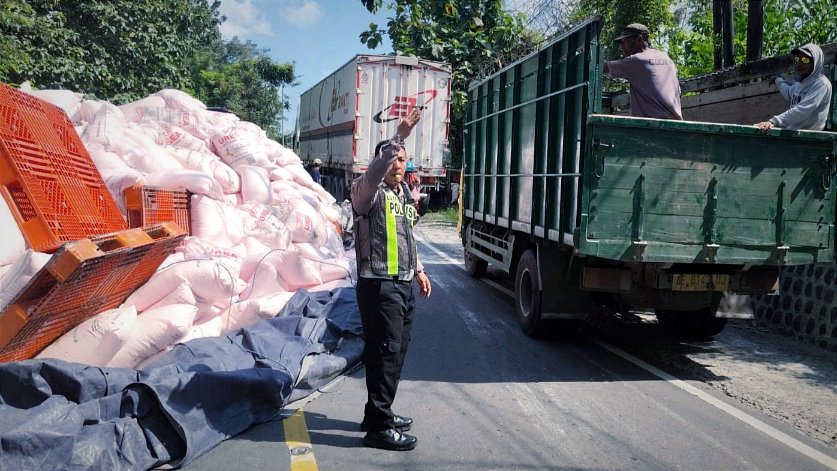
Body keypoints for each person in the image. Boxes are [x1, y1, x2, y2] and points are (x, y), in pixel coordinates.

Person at [351, 107, 431, 451]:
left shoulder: (399, 196)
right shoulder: (366, 192)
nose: (399, 165)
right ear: (381, 164)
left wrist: (420, 270)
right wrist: (397, 136)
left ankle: (377, 413)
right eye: (394, 160)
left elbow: (406, 236)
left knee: (395, 352)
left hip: (403, 284)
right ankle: (379, 429)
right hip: (379, 286)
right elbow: (376, 171)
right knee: (385, 352)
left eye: (403, 160)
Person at [604, 23, 683, 120]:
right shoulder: (666, 58)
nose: (622, 47)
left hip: (652, 126)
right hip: (676, 124)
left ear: (639, 39)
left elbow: (602, 67)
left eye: (624, 42)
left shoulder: (636, 60)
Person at [755, 43, 832, 131]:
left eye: (805, 60)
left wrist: (774, 121)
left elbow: (803, 110)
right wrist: (778, 80)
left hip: (809, 138)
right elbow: (788, 93)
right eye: (797, 59)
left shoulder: (821, 84)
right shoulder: (801, 81)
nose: (799, 63)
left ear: (816, 62)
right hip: (794, 134)